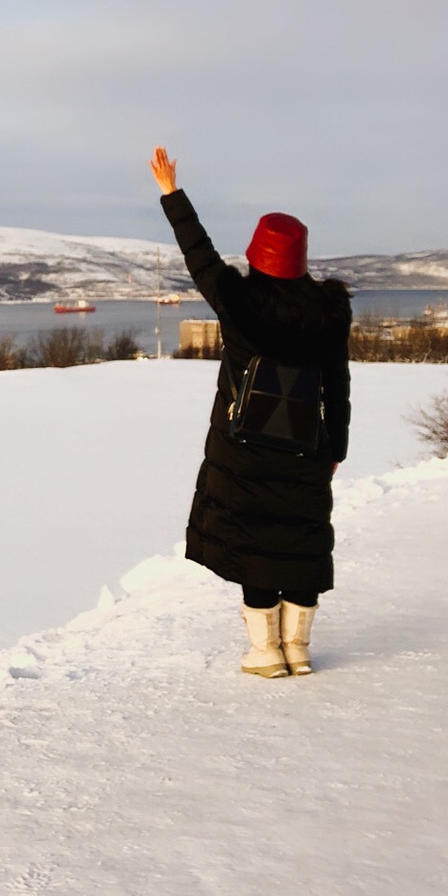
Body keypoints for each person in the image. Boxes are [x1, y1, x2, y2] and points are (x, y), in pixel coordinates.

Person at [149, 145, 351, 678]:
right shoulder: (328, 313)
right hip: (307, 445)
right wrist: (336, 448)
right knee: (300, 538)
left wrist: (172, 193)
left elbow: (200, 255)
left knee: (256, 540)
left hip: (243, 445)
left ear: (257, 255)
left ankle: (265, 653)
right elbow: (337, 384)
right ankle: (299, 649)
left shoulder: (238, 303)